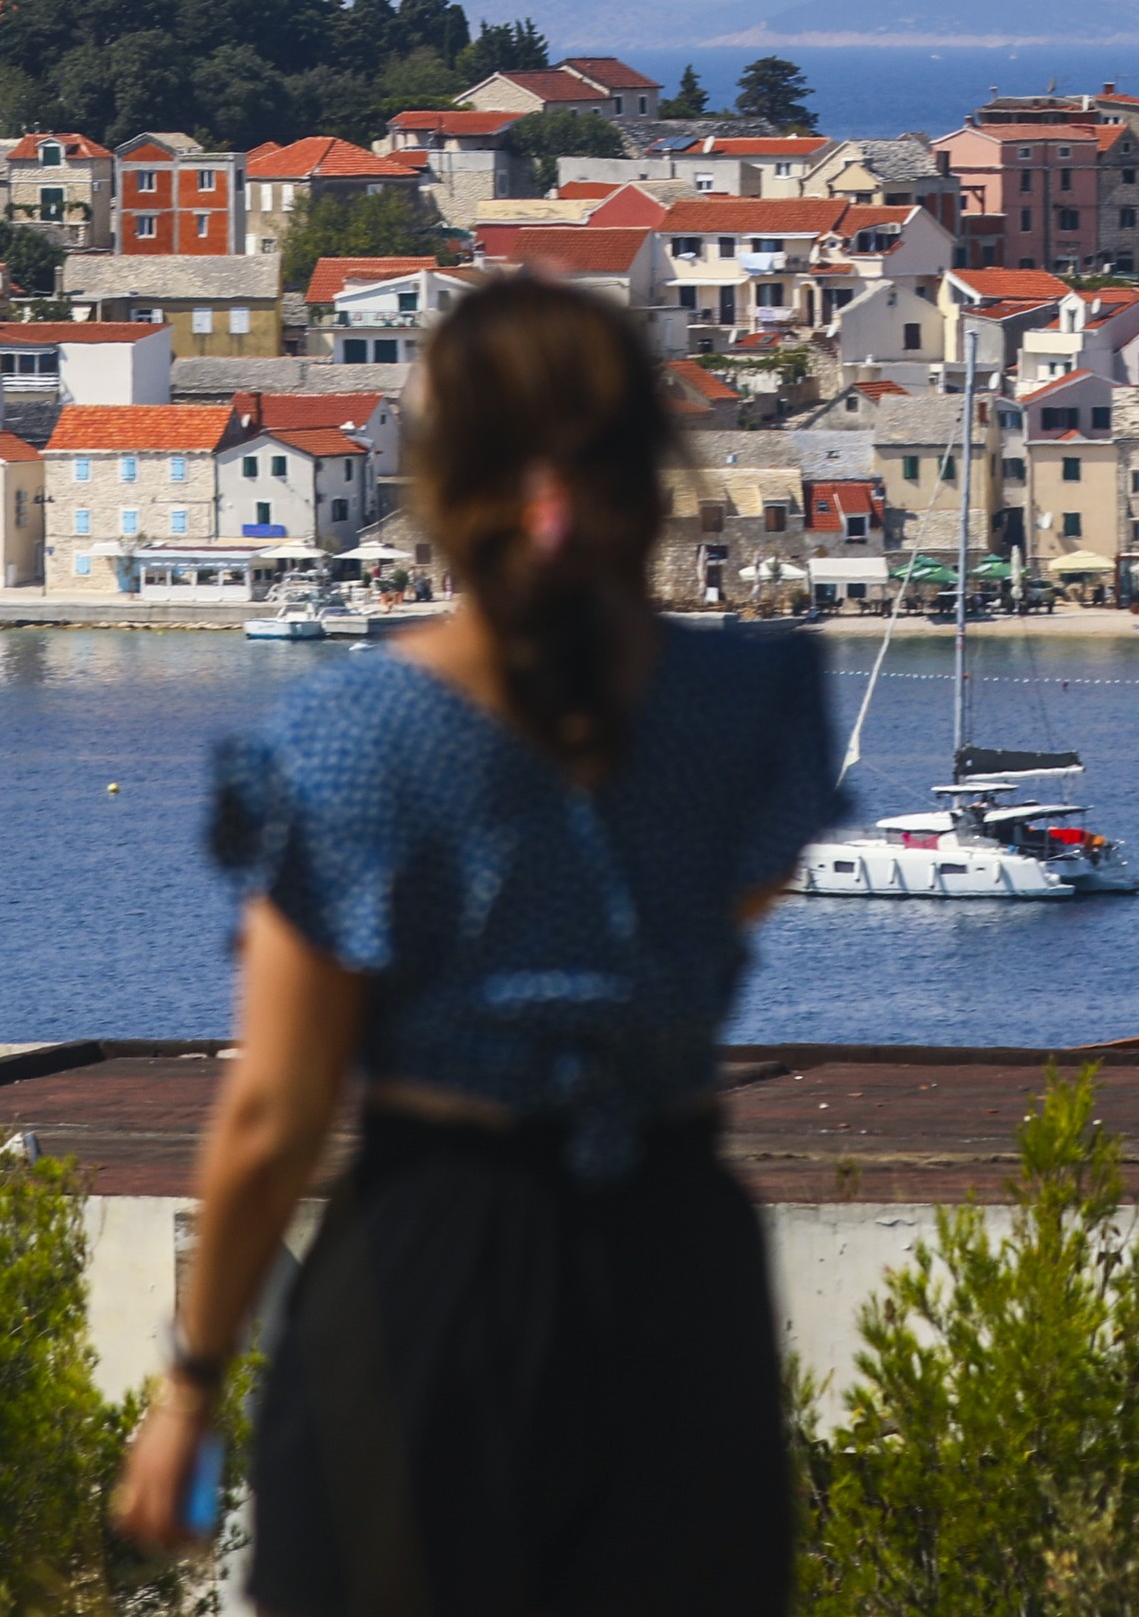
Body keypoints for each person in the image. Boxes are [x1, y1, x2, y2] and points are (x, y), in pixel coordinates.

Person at [114, 276, 839, 1617]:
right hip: (677, 1268)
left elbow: (274, 1111)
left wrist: (192, 1384)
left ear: (444, 480)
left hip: (430, 1275)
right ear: (646, 469)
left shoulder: (354, 737)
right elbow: (735, 896)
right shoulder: (757, 704)